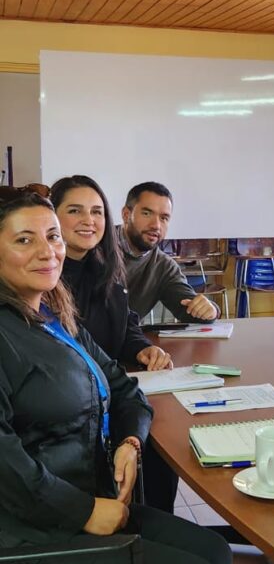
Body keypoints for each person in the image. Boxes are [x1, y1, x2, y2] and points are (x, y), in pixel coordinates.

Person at [0, 187, 232, 564]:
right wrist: (83, 511)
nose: (47, 251)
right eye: (24, 240)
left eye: (52, 236)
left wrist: (131, 442)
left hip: (93, 494)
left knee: (215, 550)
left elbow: (126, 389)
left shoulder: (57, 320)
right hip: (34, 528)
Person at [51, 175, 172, 371]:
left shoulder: (106, 267)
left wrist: (142, 349)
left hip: (107, 386)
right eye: (74, 211)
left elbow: (124, 325)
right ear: (52, 216)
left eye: (97, 212)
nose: (89, 220)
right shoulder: (42, 277)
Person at [119, 182, 219, 323]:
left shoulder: (164, 266)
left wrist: (210, 310)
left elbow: (189, 307)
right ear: (126, 214)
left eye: (164, 218)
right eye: (147, 213)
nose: (156, 225)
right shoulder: (95, 248)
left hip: (129, 342)